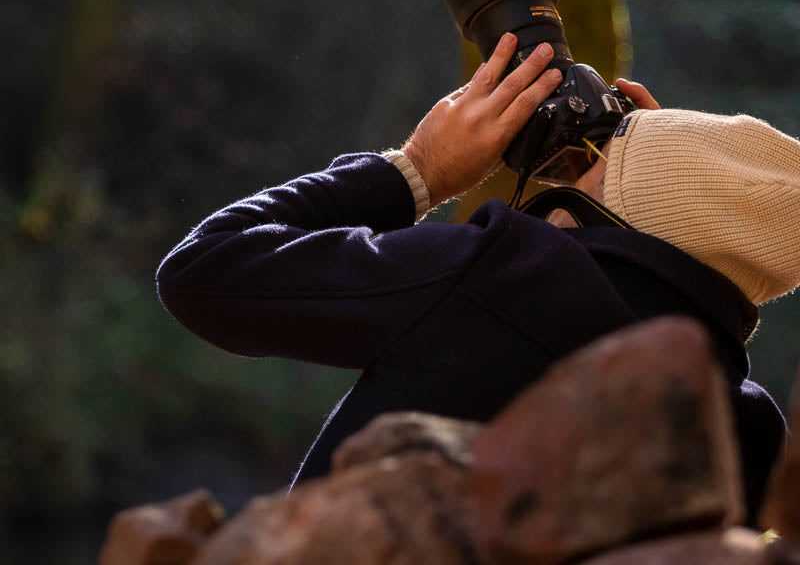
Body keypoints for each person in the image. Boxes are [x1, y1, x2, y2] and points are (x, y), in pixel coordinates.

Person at [156, 34, 795, 523]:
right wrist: (654, 156)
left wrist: (416, 171)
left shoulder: (507, 277)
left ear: (610, 214)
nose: (568, 173)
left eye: (595, 162)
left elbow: (204, 270)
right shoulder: (746, 435)